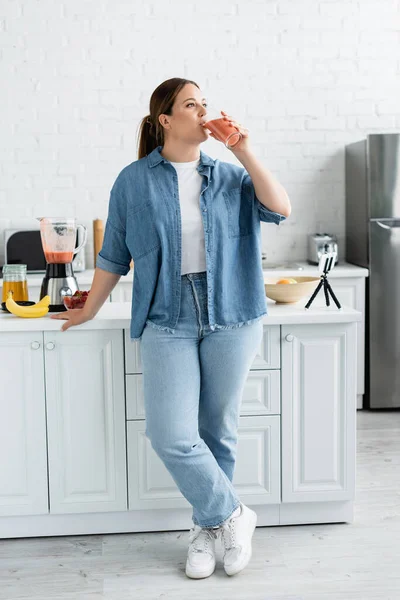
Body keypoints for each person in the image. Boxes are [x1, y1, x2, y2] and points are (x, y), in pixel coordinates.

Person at [51, 77, 291, 579]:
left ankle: (208, 532)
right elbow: (113, 253)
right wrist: (89, 308)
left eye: (205, 103)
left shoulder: (227, 174)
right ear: (166, 119)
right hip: (166, 314)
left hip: (232, 310)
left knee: (217, 430)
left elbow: (279, 208)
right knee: (170, 434)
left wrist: (245, 150)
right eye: (191, 104)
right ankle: (233, 515)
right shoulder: (134, 180)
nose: (203, 110)